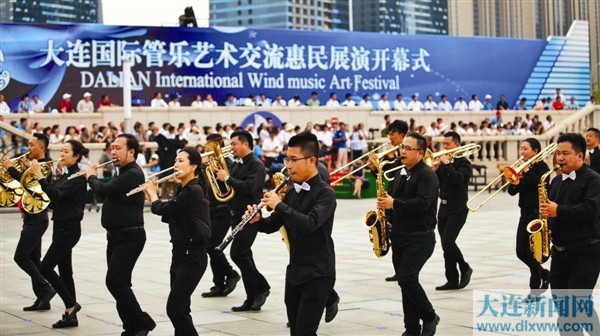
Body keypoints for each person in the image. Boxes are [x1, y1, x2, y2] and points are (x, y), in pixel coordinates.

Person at [248, 132, 337, 335]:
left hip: (319, 273)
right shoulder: (291, 192)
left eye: (294, 160)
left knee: (305, 331)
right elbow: (273, 224)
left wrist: (279, 205)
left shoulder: (326, 194)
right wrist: (256, 221)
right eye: (287, 159)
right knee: (295, 331)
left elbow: (310, 223)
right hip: (295, 270)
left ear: (312, 160)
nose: (288, 165)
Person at [84, 134, 156, 335]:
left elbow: (105, 190)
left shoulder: (132, 173)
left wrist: (91, 176)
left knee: (114, 282)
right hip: (116, 235)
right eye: (111, 148)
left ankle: (142, 322)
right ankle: (132, 327)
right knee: (121, 283)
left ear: (131, 152)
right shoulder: (122, 171)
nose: (113, 152)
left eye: (117, 148)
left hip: (129, 236)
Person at [376, 132, 440, 336]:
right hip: (400, 236)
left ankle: (430, 316)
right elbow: (393, 199)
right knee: (405, 284)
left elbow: (422, 204)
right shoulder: (401, 172)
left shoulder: (427, 175)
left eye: (407, 148)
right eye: (402, 147)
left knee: (407, 278)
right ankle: (411, 328)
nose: (402, 151)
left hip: (420, 237)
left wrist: (393, 203)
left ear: (420, 153)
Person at [144, 147, 210, 336]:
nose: (175, 165)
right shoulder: (185, 189)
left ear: (193, 166)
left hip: (192, 256)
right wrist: (152, 196)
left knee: (175, 309)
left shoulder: (193, 190)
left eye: (180, 161)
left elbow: (163, 209)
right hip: (180, 254)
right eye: (175, 160)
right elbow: (169, 213)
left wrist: (154, 196)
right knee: (182, 309)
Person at [540, 133, 600, 329]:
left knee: (571, 311)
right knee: (570, 307)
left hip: (586, 253)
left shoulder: (594, 180)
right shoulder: (556, 181)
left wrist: (558, 210)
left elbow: (590, 209)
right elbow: (552, 211)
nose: (560, 158)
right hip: (560, 254)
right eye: (558, 153)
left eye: (565, 153)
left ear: (580, 156)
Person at [33, 140, 87, 328]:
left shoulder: (78, 176)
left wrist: (39, 175)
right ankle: (70, 315)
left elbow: (55, 194)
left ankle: (72, 305)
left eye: (65, 151)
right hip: (61, 227)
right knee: (65, 272)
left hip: (69, 229)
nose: (61, 154)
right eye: (61, 151)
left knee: (45, 268)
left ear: (76, 156)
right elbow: (53, 197)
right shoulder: (66, 175)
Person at [214, 130, 270, 312]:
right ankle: (251, 297)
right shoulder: (237, 164)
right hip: (236, 213)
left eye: (234, 144)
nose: (231, 148)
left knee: (239, 254)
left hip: (250, 214)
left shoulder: (256, 165)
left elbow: (249, 186)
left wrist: (228, 178)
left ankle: (261, 288)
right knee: (245, 255)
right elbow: (232, 186)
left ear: (245, 144)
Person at [1, 133, 56, 311]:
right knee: (33, 257)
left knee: (20, 256)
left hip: (38, 218)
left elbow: (30, 185)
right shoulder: (33, 164)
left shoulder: (44, 166)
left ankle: (46, 288)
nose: (28, 148)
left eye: (31, 145)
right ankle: (42, 298)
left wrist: (11, 168)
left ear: (41, 147)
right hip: (31, 216)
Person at [507, 138, 551, 298]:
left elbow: (541, 184)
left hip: (537, 214)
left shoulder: (542, 167)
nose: (522, 152)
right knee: (520, 252)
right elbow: (512, 192)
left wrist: (526, 172)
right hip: (524, 214)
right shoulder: (524, 168)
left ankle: (535, 288)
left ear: (535, 151)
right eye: (521, 149)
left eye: (525, 149)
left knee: (533, 252)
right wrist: (515, 179)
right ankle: (544, 274)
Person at [368, 120, 409, 283]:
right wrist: (374, 168)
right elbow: (386, 175)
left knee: (400, 237)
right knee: (392, 235)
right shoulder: (397, 154)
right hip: (390, 198)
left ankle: (404, 271)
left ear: (402, 135)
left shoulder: (407, 154)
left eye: (392, 133)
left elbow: (393, 171)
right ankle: (398, 271)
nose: (390, 137)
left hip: (400, 200)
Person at [201, 135, 241, 298]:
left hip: (223, 210)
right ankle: (218, 284)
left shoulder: (228, 164)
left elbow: (232, 182)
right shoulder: (205, 166)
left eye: (209, 150)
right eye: (205, 150)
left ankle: (231, 275)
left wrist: (222, 173)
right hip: (210, 209)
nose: (206, 154)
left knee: (212, 246)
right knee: (210, 247)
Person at [434, 132, 473, 291]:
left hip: (458, 208)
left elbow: (458, 179)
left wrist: (447, 163)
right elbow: (437, 182)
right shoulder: (444, 164)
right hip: (443, 207)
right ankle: (452, 279)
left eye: (447, 144)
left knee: (448, 241)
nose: (444, 147)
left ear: (456, 145)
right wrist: (434, 169)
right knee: (446, 245)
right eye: (443, 144)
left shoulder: (464, 163)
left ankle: (465, 268)